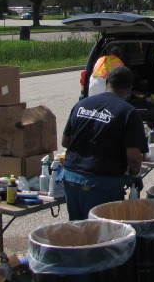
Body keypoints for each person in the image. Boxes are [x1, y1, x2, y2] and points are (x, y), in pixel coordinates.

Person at [61, 66, 147, 220]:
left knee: (78, 232)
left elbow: (65, 141)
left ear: (107, 81)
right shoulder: (128, 112)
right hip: (100, 184)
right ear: (129, 89)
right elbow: (134, 158)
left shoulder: (81, 104)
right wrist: (135, 176)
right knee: (103, 234)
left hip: (71, 178)